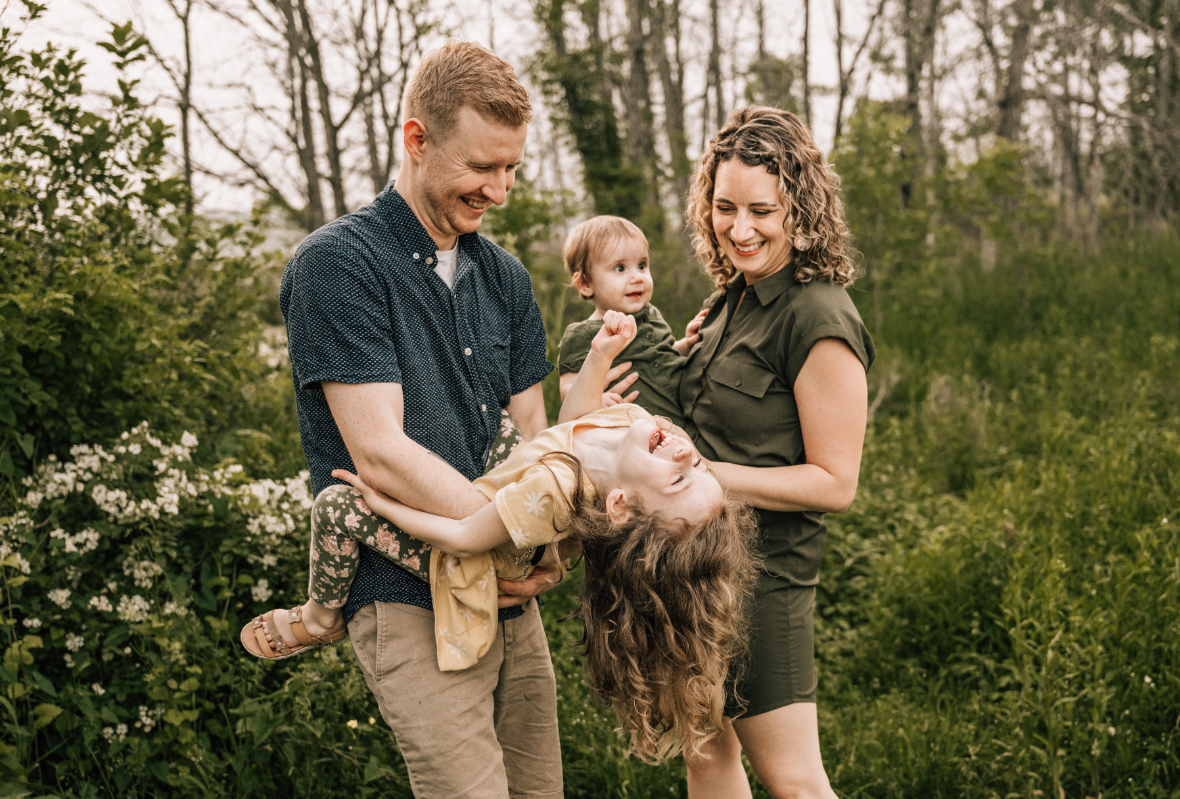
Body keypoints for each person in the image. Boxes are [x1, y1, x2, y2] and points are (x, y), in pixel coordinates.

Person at [243, 311, 758, 763]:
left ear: (619, 503)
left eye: (678, 479)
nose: (687, 455)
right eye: (701, 468)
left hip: (482, 557)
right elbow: (574, 423)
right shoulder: (632, 420)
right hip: (504, 502)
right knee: (506, 425)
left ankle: (319, 616)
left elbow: (467, 537)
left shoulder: (555, 492)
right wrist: (599, 356)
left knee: (335, 507)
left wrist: (385, 507)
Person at [266, 40, 566, 799]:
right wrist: (516, 535)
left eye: (512, 168)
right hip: (407, 600)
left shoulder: (505, 277)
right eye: (480, 168)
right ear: (416, 139)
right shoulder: (338, 266)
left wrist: (547, 542)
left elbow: (533, 434)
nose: (498, 189)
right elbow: (380, 454)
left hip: (512, 604)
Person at [678, 107, 876, 799]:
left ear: (801, 207)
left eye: (761, 210)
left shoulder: (817, 314)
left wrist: (707, 477)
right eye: (725, 207)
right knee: (706, 755)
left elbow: (835, 482)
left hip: (765, 578)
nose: (740, 228)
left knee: (792, 780)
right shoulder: (732, 299)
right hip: (700, 569)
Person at [555, 216, 706, 426]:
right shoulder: (583, 334)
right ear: (586, 283)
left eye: (642, 265)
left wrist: (685, 345)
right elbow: (568, 389)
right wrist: (597, 400)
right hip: (628, 436)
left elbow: (662, 358)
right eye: (620, 268)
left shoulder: (652, 315)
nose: (637, 277)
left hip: (680, 428)